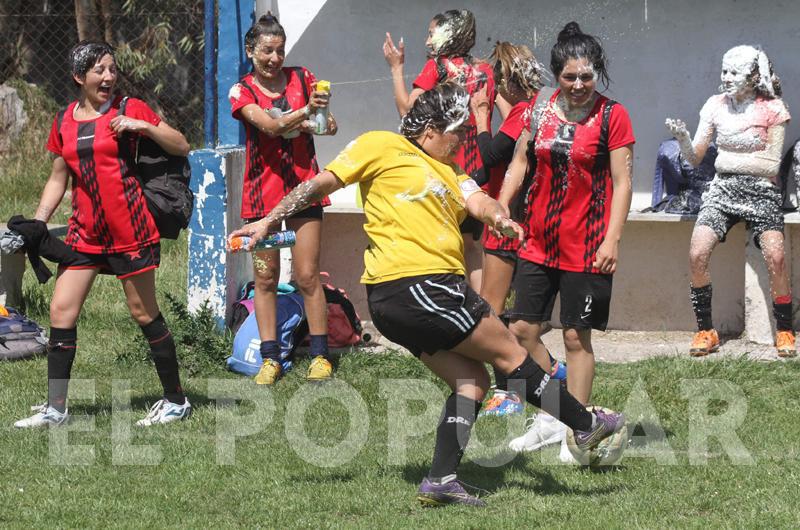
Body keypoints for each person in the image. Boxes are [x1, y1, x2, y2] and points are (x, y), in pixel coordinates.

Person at [229, 83, 625, 507]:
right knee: (510, 354)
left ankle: (440, 481)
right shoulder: (381, 145)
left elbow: (480, 202)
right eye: (458, 135)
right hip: (420, 285)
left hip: (402, 301)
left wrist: (499, 218)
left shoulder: (453, 175)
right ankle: (585, 424)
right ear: (432, 130)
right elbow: (319, 185)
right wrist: (269, 221)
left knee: (471, 383)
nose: (462, 144)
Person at [14, 41, 192, 428]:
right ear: (80, 77)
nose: (109, 77)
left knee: (144, 313)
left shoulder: (132, 108)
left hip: (132, 232)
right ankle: (56, 410)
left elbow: (181, 144)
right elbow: (58, 177)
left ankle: (176, 401)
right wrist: (39, 222)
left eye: (112, 69)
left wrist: (143, 126)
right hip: (85, 236)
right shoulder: (63, 120)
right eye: (99, 70)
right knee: (61, 311)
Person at [498, 23, 635, 460]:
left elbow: (623, 182)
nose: (578, 85)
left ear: (598, 73)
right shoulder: (539, 109)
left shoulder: (614, 116)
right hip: (537, 240)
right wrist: (502, 207)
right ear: (556, 75)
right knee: (521, 331)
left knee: (576, 337)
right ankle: (550, 416)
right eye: (569, 77)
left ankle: (576, 430)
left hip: (588, 244)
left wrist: (612, 239)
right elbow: (520, 162)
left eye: (586, 77)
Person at [228, 13, 338, 385]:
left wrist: (320, 111)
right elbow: (270, 126)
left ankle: (321, 356)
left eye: (280, 50)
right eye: (267, 51)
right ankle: (270, 358)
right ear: (250, 51)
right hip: (262, 201)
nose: (275, 58)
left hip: (304, 191)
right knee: (266, 277)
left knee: (307, 275)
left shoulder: (302, 77)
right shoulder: (241, 90)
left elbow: (329, 127)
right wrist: (306, 112)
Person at [666, 45, 793, 357]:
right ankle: (705, 329)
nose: (726, 77)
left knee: (776, 257)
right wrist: (683, 138)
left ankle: (785, 328)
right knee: (697, 252)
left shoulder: (773, 109)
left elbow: (771, 166)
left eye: (734, 72)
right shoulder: (714, 106)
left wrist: (728, 160)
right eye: (724, 71)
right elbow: (696, 158)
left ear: (752, 76)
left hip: (762, 191)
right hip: (721, 190)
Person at [469, 42, 565, 417]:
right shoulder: (533, 110)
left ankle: (509, 391)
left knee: (490, 311)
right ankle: (551, 369)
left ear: (507, 81)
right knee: (523, 316)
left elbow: (492, 154)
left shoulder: (522, 113)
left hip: (508, 220)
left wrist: (480, 117)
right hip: (531, 221)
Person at [383, 9, 496, 291]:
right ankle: (479, 309)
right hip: (477, 167)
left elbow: (407, 112)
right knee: (472, 244)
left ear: (450, 34)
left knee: (444, 238)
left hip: (445, 167)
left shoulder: (438, 67)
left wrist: (396, 68)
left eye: (432, 32)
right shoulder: (485, 70)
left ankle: (449, 303)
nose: (427, 39)